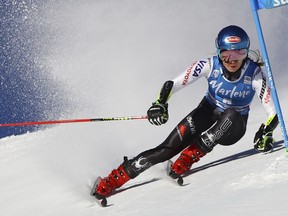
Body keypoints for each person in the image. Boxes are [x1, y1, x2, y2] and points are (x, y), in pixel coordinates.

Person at [92, 25, 279, 198]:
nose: (232, 61)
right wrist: (161, 103)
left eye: (239, 54)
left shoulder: (254, 73)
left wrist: (266, 131)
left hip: (234, 127)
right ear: (219, 52)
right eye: (227, 55)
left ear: (246, 53)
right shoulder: (209, 65)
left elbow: (272, 109)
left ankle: (189, 157)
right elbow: (174, 84)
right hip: (207, 110)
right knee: (166, 149)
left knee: (231, 114)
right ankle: (115, 179)